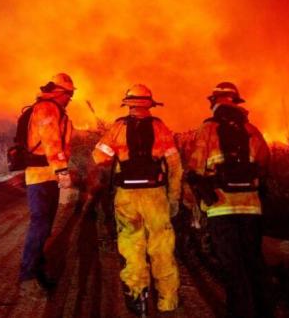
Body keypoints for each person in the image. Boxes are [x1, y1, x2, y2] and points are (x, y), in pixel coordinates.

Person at [91, 84, 182, 315]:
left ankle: (138, 297)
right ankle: (167, 300)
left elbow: (98, 157)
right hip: (156, 196)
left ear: (129, 104)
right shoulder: (160, 128)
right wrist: (174, 197)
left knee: (132, 246)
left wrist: (117, 155)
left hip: (127, 197)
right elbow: (174, 165)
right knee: (162, 247)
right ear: (149, 104)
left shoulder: (118, 127)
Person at [186, 82, 273, 318]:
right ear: (236, 102)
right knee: (254, 263)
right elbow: (265, 163)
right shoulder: (252, 130)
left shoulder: (207, 130)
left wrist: (197, 204)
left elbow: (195, 169)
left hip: (221, 209)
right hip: (251, 208)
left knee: (233, 268)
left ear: (214, 102)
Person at [18, 73, 75, 299]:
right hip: (42, 177)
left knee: (44, 228)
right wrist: (62, 170)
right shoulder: (48, 109)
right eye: (69, 94)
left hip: (45, 176)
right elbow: (51, 141)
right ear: (60, 92)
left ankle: (37, 272)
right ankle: (27, 277)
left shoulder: (51, 109)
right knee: (40, 226)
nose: (70, 99)